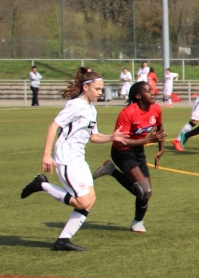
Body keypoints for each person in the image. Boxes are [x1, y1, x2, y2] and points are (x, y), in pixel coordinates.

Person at [19, 67, 129, 251]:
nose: (100, 92)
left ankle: (63, 240)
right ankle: (42, 184)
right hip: (66, 158)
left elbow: (93, 137)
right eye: (97, 89)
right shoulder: (75, 105)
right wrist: (46, 154)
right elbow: (53, 126)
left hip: (79, 158)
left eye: (101, 89)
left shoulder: (91, 109)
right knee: (82, 202)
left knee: (90, 200)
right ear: (86, 87)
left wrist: (112, 137)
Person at [93, 81, 165, 232]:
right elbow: (120, 142)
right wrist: (148, 140)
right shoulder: (127, 113)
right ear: (138, 96)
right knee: (144, 191)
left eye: (152, 90)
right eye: (148, 91)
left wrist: (161, 149)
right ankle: (137, 222)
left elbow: (160, 129)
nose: (152, 93)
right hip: (122, 151)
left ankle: (137, 222)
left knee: (146, 193)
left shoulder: (156, 108)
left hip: (138, 150)